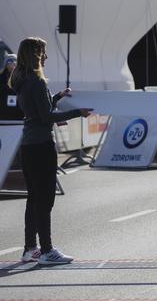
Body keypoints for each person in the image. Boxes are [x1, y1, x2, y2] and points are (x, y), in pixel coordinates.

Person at [10, 37, 92, 265]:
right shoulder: (36, 81)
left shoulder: (23, 80)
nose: (46, 56)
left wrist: (57, 97)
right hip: (41, 147)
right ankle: (46, 251)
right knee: (44, 200)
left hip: (29, 147)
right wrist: (78, 113)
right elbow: (46, 116)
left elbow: (38, 111)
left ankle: (30, 249)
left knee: (34, 199)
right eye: (43, 52)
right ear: (36, 54)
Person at [0, 53, 23, 120]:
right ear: (6, 64)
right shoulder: (1, 78)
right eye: (10, 61)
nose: (13, 63)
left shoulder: (22, 77)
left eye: (14, 61)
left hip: (18, 116)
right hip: (3, 116)